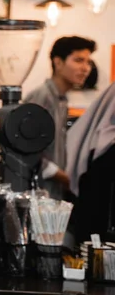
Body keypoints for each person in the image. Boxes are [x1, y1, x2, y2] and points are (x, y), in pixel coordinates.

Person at [23, 36, 96, 200]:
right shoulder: (42, 97)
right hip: (36, 197)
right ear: (58, 62)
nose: (85, 68)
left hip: (52, 196)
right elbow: (27, 150)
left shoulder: (61, 100)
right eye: (78, 60)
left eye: (88, 62)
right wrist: (66, 178)